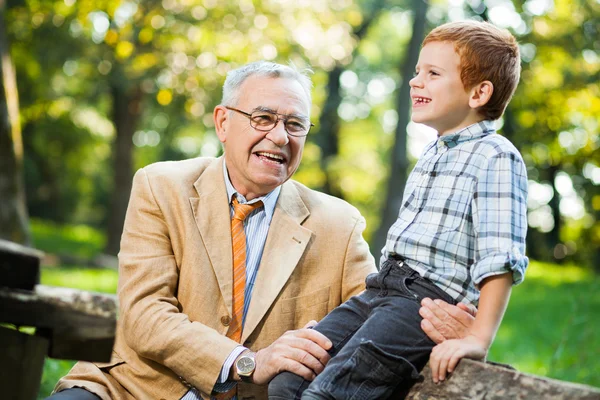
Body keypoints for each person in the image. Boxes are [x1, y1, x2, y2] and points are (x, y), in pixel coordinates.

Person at [50, 61, 473, 400]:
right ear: (223, 122)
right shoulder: (161, 186)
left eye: (294, 125)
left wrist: (451, 327)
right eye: (263, 118)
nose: (279, 136)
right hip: (136, 388)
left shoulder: (339, 225)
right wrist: (247, 361)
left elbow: (379, 313)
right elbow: (145, 316)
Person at [268, 20, 529, 400]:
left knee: (328, 394)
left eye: (432, 73)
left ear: (479, 92)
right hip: (381, 289)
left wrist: (477, 337)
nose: (415, 81)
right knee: (289, 378)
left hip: (421, 302)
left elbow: (500, 259)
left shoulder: (496, 156)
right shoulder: (432, 153)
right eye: (416, 71)